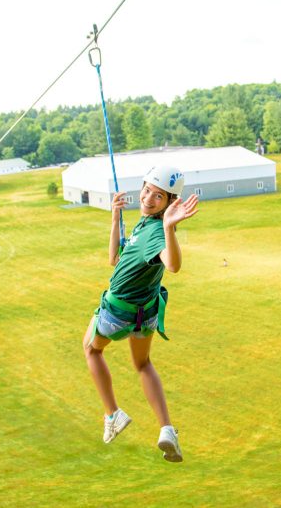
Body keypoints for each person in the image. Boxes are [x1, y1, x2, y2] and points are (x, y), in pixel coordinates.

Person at [83, 166, 198, 463]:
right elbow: (113, 259)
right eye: (146, 190)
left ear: (170, 203)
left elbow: (172, 265)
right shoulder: (145, 225)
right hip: (144, 317)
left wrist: (170, 228)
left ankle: (113, 414)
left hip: (117, 314)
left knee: (91, 350)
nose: (148, 198)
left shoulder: (157, 232)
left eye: (158, 196)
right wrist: (115, 217)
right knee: (143, 363)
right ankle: (167, 429)